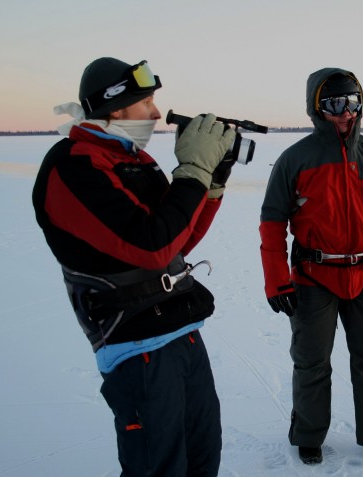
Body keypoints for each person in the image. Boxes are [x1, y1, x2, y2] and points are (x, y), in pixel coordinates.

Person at [32, 57, 239, 476]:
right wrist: (193, 171)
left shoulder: (137, 162)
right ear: (116, 106)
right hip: (137, 349)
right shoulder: (71, 165)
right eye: (145, 101)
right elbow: (151, 248)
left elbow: (180, 240)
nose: (156, 113)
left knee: (203, 457)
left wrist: (211, 182)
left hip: (183, 335)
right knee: (158, 467)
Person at [259, 67, 363, 466]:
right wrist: (277, 282)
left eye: (352, 103)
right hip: (314, 279)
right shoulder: (295, 159)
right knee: (312, 361)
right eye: (334, 104)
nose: (345, 112)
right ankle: (309, 434)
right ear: (316, 108)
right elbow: (272, 222)